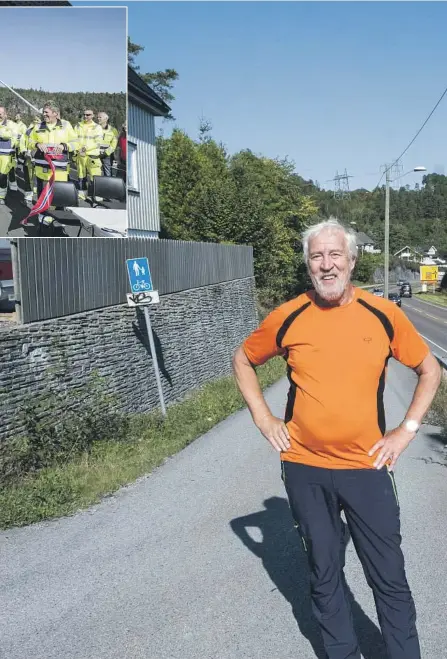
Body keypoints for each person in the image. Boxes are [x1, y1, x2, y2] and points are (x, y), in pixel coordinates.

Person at [232, 218, 442, 659]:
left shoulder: (382, 314)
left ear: (351, 259)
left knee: (388, 576)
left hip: (366, 467)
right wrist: (264, 418)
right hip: (305, 468)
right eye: (316, 256)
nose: (326, 265)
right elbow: (243, 359)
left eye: (334, 255)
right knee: (324, 575)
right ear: (308, 263)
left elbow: (429, 370)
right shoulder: (288, 316)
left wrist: (405, 431)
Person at [26, 101, 78, 224]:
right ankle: (42, 214)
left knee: (59, 193)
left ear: (55, 113)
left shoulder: (66, 125)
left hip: (59, 168)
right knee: (42, 192)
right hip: (41, 168)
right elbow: (29, 141)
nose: (44, 114)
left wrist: (64, 146)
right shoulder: (38, 126)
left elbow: (76, 142)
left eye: (46, 112)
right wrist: (37, 144)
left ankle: (59, 216)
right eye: (43, 112)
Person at [74, 109, 102, 200]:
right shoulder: (78, 126)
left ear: (93, 115)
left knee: (95, 176)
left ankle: (97, 195)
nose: (86, 116)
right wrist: (78, 149)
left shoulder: (97, 127)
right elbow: (74, 139)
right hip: (80, 155)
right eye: (84, 114)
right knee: (81, 175)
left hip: (92, 155)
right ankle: (82, 193)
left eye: (88, 115)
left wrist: (85, 148)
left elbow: (98, 142)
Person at [0, 106, 18, 205]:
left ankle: (1, 196)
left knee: (2, 175)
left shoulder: (12, 125)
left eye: (0, 113)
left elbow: (10, 135)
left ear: (5, 114)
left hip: (6, 154)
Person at [97, 111, 118, 177]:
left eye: (100, 117)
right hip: (96, 153)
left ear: (106, 119)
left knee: (108, 173)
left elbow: (113, 145)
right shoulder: (94, 128)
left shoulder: (113, 130)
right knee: (96, 172)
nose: (98, 119)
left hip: (107, 156)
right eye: (97, 117)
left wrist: (105, 153)